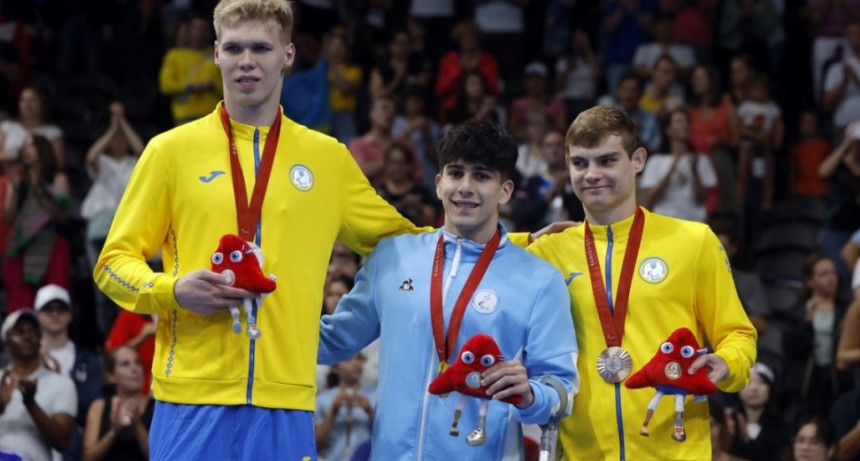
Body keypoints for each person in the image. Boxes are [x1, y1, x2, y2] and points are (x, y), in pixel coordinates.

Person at [92, 0, 422, 458]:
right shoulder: (170, 152)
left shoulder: (327, 159)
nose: (247, 61)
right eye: (234, 48)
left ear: (288, 54)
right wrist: (171, 289)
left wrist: (513, 245)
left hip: (285, 401)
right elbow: (112, 264)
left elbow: (409, 244)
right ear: (215, 54)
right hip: (190, 398)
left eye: (262, 48)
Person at [318, 121, 579, 459]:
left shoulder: (540, 281)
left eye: (482, 176)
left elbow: (563, 389)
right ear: (439, 183)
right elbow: (331, 341)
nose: (466, 187)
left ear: (505, 191)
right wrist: (266, 307)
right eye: (456, 174)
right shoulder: (393, 257)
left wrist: (531, 394)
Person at [526, 106, 757, 460]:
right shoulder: (548, 252)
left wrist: (727, 363)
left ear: (637, 160)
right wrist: (526, 238)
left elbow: (738, 333)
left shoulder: (693, 242)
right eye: (581, 163)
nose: (592, 174)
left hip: (674, 450)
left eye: (606, 161)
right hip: (580, 452)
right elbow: (463, 246)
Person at [35, 284, 105, 459]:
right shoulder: (25, 358)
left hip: (74, 441)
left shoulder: (86, 360)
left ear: (70, 315)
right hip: (32, 434)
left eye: (61, 309)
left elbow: (92, 405)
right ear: (37, 315)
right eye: (48, 309)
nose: (55, 314)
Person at [3, 135, 71, 313]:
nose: (25, 149)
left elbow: (60, 215)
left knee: (52, 301)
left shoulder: (57, 178)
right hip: (22, 248)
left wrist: (40, 188)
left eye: (30, 145)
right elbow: (9, 218)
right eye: (23, 146)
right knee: (20, 304)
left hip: (52, 247)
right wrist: (14, 188)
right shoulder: (19, 180)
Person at [0, 309, 77, 461]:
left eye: (33, 331)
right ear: (7, 342)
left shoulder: (62, 384)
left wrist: (31, 404)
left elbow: (62, 442)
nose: (28, 336)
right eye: (20, 332)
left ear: (40, 338)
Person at [639, 107, 718, 223]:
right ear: (668, 129)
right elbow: (650, 198)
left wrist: (695, 170)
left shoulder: (701, 160)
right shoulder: (655, 161)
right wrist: (671, 168)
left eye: (687, 122)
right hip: (665, 222)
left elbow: (702, 199)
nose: (685, 126)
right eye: (679, 122)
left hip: (693, 223)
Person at [82, 346, 154, 461]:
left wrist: (138, 425)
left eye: (137, 362)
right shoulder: (99, 407)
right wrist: (114, 432)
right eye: (125, 364)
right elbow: (87, 458)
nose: (134, 369)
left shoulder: (156, 407)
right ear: (111, 376)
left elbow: (159, 456)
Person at [158, 12, 222, 125]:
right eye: (196, 28)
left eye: (204, 29)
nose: (199, 33)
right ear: (189, 30)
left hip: (212, 115)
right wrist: (191, 87)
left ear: (210, 32)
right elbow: (166, 85)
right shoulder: (174, 55)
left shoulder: (218, 55)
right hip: (185, 115)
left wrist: (212, 85)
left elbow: (226, 86)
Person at [314, 353, 375, 461]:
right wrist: (333, 411)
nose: (356, 364)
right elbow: (316, 445)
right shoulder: (322, 400)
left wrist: (369, 411)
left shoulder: (374, 396)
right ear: (334, 367)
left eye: (359, 359)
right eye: (348, 359)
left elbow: (385, 436)